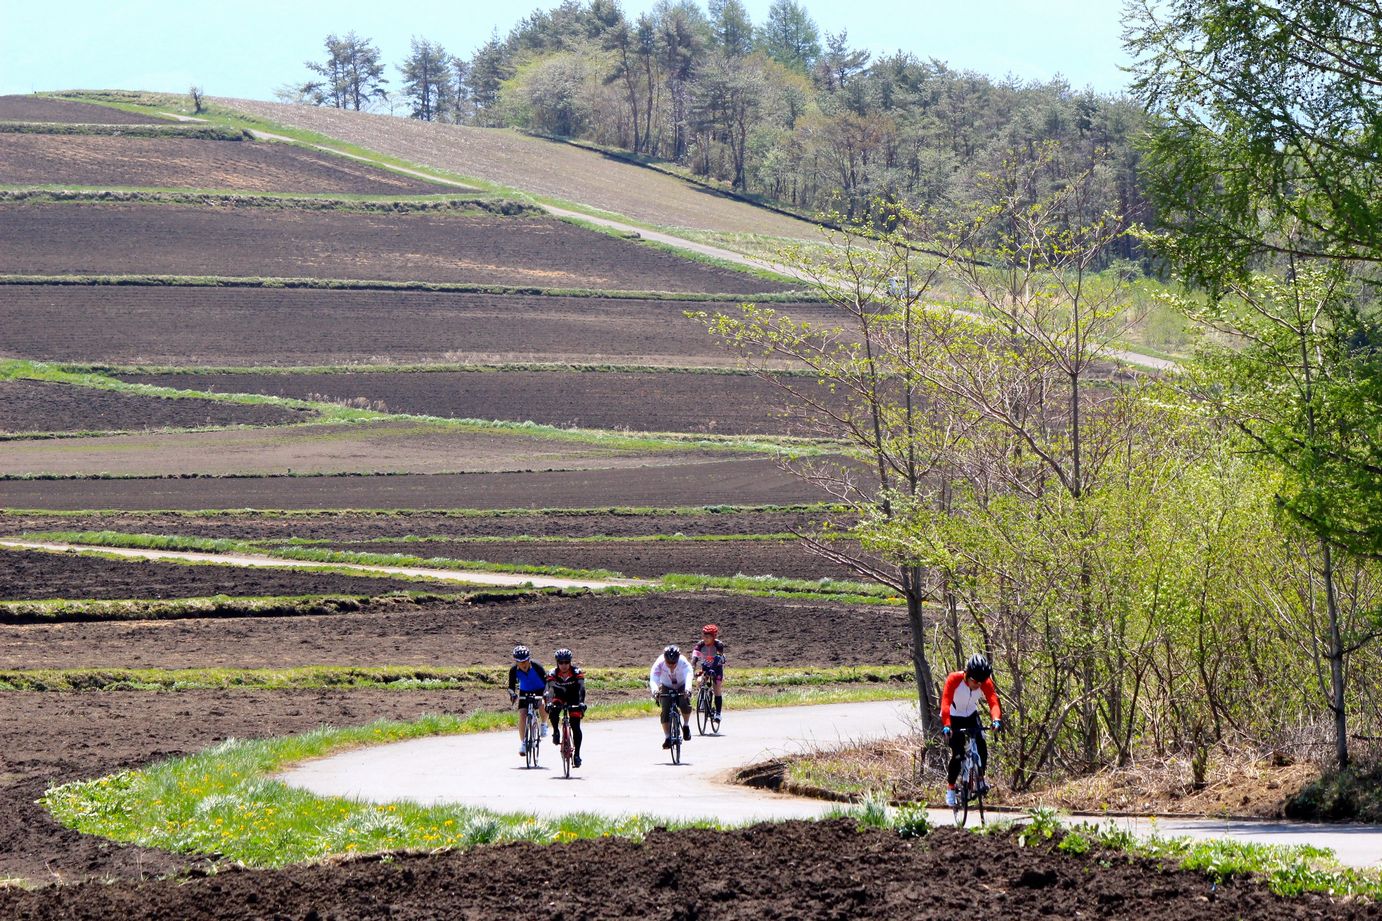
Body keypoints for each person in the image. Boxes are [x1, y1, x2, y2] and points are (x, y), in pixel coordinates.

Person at [940, 653, 1003, 807]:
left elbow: (993, 702)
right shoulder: (954, 679)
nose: (977, 685)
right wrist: (947, 725)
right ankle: (951, 788)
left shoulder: (984, 682)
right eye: (975, 681)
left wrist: (996, 720)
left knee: (982, 746)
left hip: (971, 716)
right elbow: (946, 703)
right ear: (967, 674)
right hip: (953, 717)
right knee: (958, 754)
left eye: (981, 682)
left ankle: (980, 779)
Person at [545, 647, 587, 768]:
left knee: (575, 726)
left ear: (570, 661)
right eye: (561, 662)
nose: (564, 665)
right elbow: (551, 689)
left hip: (573, 697)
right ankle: (556, 731)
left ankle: (577, 755)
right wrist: (548, 702)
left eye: (567, 662)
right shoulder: (552, 673)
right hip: (559, 696)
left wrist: (581, 703)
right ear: (557, 662)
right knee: (553, 709)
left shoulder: (576, 672)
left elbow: (581, 688)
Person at [507, 645, 549, 757]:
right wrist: (513, 694)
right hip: (524, 692)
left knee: (541, 703)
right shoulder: (513, 670)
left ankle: (544, 724)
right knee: (522, 715)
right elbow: (511, 687)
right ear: (516, 662)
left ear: (529, 659)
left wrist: (546, 693)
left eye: (525, 660)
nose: (523, 664)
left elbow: (548, 682)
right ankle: (523, 743)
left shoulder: (537, 666)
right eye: (520, 662)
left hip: (540, 689)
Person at [649, 644, 693, 749]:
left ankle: (686, 725)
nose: (671, 665)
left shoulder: (683, 662)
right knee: (665, 709)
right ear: (664, 659)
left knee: (684, 703)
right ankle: (667, 737)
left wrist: (688, 689)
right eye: (669, 663)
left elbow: (689, 675)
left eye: (674, 663)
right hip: (667, 685)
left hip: (681, 685)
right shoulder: (659, 663)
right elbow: (653, 678)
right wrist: (655, 691)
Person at [691, 624, 727, 721]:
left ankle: (718, 713)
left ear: (714, 637)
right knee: (699, 681)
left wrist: (713, 669)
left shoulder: (719, 645)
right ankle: (703, 699)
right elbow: (695, 658)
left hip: (717, 668)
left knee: (717, 689)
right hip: (706, 667)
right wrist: (692, 668)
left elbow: (718, 658)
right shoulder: (700, 644)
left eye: (708, 637)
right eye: (704, 636)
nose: (705, 639)